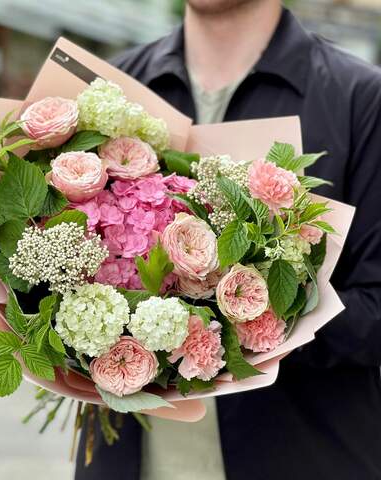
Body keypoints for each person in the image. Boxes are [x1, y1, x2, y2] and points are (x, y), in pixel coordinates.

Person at [76, 1, 381, 479]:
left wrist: (243, 319)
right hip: (133, 461)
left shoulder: (360, 98)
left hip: (303, 455)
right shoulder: (114, 89)